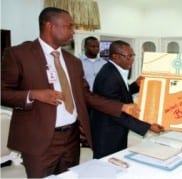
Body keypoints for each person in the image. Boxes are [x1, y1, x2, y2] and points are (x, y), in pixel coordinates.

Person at [1, 7, 140, 178]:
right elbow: (3, 92)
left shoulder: (72, 61)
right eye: (69, 26)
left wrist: (122, 107)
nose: (73, 31)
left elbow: (87, 96)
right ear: (50, 26)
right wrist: (33, 94)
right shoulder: (18, 55)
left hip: (71, 139)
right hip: (40, 140)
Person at [90, 40, 164, 159]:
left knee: (117, 162)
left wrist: (135, 85)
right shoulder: (109, 76)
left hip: (116, 130)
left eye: (132, 55)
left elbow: (120, 95)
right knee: (106, 166)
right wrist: (147, 126)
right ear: (115, 56)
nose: (132, 59)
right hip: (107, 133)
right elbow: (116, 112)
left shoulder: (114, 70)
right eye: (128, 56)